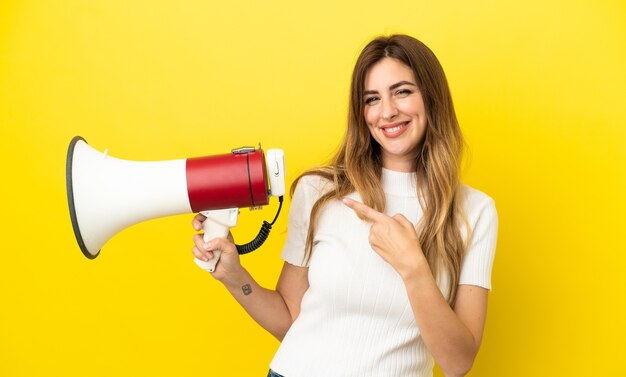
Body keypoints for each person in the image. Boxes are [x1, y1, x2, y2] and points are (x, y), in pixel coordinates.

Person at [191, 34, 498, 377]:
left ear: (431, 97)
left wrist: (413, 267)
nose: (387, 111)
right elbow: (291, 319)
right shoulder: (321, 191)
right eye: (371, 99)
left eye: (402, 91)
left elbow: (458, 363)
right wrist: (235, 277)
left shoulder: (474, 212)